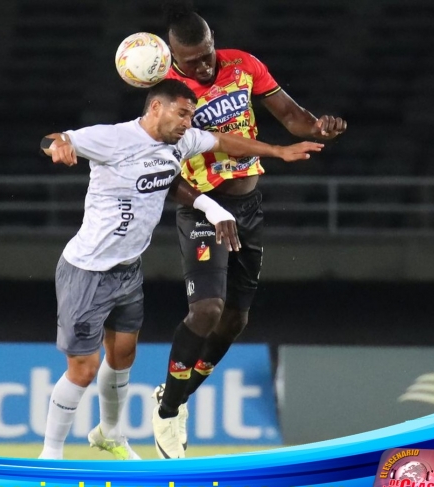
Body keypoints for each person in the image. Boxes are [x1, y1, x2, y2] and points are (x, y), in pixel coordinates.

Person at [38, 79, 322, 460]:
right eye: (183, 113)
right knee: (83, 369)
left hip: (128, 271)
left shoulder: (181, 142)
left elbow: (224, 142)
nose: (189, 122)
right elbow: (54, 138)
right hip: (88, 270)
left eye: (192, 115)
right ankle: (50, 453)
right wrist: (58, 146)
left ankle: (110, 434)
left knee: (122, 359)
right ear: (156, 108)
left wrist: (277, 152)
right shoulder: (113, 138)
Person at [152, 1, 347, 459]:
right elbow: (161, 166)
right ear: (174, 57)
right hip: (204, 208)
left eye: (206, 54)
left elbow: (293, 117)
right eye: (191, 61)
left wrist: (320, 128)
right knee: (207, 310)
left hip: (248, 207)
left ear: (213, 41)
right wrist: (201, 203)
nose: (203, 66)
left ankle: (174, 395)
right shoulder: (169, 94)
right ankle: (167, 415)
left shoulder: (243, 65)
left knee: (235, 321)